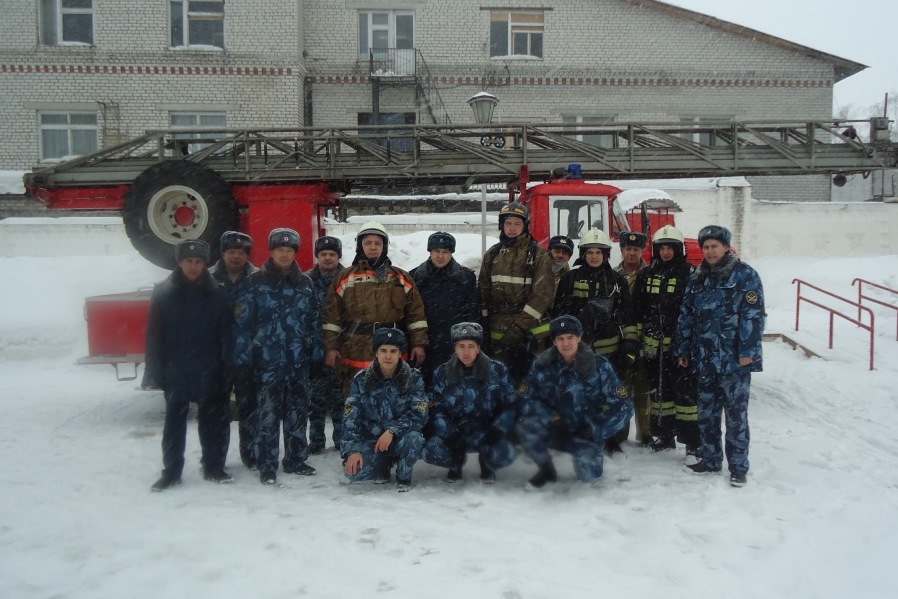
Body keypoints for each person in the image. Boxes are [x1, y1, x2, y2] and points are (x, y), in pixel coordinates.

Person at [674, 225, 765, 488]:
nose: (710, 251)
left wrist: (748, 352)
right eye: (706, 247)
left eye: (715, 246)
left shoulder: (746, 276)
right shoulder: (698, 278)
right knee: (707, 413)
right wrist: (682, 349)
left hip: (735, 361)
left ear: (726, 247)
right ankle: (711, 458)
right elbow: (687, 315)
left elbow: (753, 315)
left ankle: (738, 467)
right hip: (705, 358)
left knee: (736, 416)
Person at [234, 228, 321, 485]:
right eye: (280, 250)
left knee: (298, 413)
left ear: (295, 253)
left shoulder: (305, 284)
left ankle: (295, 459)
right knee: (268, 416)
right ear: (271, 252)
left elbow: (315, 322)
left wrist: (316, 356)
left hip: (298, 363)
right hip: (266, 364)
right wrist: (243, 362)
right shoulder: (253, 284)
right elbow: (241, 327)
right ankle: (267, 465)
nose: (285, 254)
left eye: (289, 250)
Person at [144, 240, 233, 491]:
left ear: (205, 264)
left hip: (210, 368)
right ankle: (171, 471)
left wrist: (227, 368)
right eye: (188, 261)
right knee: (174, 424)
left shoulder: (218, 293)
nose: (193, 266)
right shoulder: (163, 294)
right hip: (177, 370)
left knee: (211, 423)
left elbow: (226, 334)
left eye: (198, 261)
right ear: (179, 262)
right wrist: (156, 371)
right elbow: (154, 337)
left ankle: (213, 466)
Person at [517, 315, 634, 488]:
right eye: (561, 339)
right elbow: (524, 399)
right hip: (554, 425)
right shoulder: (541, 365)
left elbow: (624, 407)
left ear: (579, 337)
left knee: (589, 477)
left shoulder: (599, 366)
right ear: (554, 342)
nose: (566, 343)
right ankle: (545, 467)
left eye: (570, 337)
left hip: (585, 429)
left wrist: (596, 429)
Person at [552, 227, 639, 456]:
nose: (593, 256)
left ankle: (612, 439)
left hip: (610, 351)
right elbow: (560, 315)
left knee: (608, 396)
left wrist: (629, 346)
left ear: (606, 254)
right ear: (583, 253)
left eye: (598, 252)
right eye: (589, 252)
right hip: (578, 351)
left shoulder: (617, 281)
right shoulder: (570, 279)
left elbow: (628, 316)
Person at [323, 221, 429, 395]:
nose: (373, 247)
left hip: (391, 349)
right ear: (360, 246)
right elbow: (331, 318)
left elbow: (416, 315)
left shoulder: (401, 278)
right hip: (355, 349)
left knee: (392, 397)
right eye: (368, 243)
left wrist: (419, 343)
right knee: (357, 398)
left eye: (377, 243)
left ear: (384, 247)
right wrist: (331, 348)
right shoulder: (345, 278)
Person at [423, 322, 518, 483]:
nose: (466, 352)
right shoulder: (441, 373)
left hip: (487, 431)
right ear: (455, 348)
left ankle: (487, 463)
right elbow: (436, 408)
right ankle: (455, 464)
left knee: (506, 453)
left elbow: (511, 406)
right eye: (461, 346)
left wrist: (498, 429)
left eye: (471, 346)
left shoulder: (498, 370)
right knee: (431, 451)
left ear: (478, 348)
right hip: (456, 433)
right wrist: (450, 434)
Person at [634, 225, 699, 459]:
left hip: (681, 348)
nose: (666, 252)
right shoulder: (647, 274)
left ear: (679, 249)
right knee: (659, 395)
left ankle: (692, 441)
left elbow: (693, 313)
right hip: (654, 348)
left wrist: (687, 343)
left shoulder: (691, 274)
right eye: (662, 248)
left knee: (686, 396)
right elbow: (639, 310)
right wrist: (640, 341)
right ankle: (664, 435)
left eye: (670, 248)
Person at [341, 328, 428, 492]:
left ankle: (403, 475)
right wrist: (352, 451)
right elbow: (351, 419)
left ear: (400, 354)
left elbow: (420, 414)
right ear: (376, 353)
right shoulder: (361, 380)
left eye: (393, 351)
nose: (388, 356)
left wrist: (392, 431)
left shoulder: (414, 378)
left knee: (414, 438)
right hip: (374, 442)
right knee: (354, 474)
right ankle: (383, 463)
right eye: (383, 351)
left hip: (401, 439)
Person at [478, 202, 555, 382]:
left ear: (525, 226)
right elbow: (483, 292)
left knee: (532, 382)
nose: (512, 228)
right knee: (501, 381)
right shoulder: (493, 254)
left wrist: (520, 326)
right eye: (508, 223)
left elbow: (543, 295)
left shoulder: (538, 255)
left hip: (532, 334)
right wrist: (486, 326)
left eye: (517, 224)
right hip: (499, 332)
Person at [209, 230, 260, 469]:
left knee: (249, 410)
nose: (236, 257)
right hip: (217, 360)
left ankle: (250, 455)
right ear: (223, 253)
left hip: (248, 358)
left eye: (241, 252)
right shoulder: (208, 281)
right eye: (232, 252)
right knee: (218, 412)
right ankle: (216, 460)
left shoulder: (258, 280)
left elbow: (265, 318)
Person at [410, 231, 480, 386]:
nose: (440, 256)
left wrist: (468, 344)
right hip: (426, 345)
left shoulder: (465, 278)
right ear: (430, 251)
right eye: (436, 251)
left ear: (451, 253)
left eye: (445, 252)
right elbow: (409, 314)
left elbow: (473, 314)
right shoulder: (415, 277)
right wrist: (415, 343)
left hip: (455, 346)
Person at [305, 235, 346, 454]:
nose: (328, 258)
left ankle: (341, 439)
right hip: (314, 349)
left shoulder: (348, 279)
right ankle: (316, 440)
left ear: (338, 256)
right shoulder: (305, 281)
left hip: (341, 348)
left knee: (340, 398)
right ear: (317, 257)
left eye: (332, 254)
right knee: (315, 399)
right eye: (323, 255)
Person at [613, 231, 651, 447]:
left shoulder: (651, 274)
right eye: (628, 249)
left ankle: (645, 433)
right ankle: (621, 432)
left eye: (636, 249)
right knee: (622, 387)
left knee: (644, 388)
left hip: (645, 338)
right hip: (621, 339)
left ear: (642, 251)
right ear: (622, 250)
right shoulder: (613, 275)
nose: (631, 253)